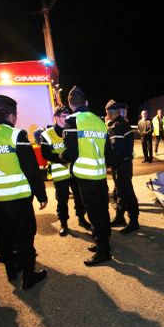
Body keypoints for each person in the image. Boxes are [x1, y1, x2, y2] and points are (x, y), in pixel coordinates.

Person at [0, 95, 48, 289]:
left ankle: (11, 271)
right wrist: (41, 194)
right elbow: (31, 169)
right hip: (17, 197)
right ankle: (28, 276)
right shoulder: (16, 135)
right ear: (12, 115)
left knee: (4, 235)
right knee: (24, 235)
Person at [61, 86, 112, 266]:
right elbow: (108, 153)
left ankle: (104, 252)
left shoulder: (73, 121)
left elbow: (70, 154)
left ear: (70, 104)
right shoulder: (99, 121)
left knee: (94, 214)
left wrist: (61, 156)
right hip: (99, 175)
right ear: (86, 103)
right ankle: (102, 244)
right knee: (102, 212)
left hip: (85, 178)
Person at [40, 106, 92, 236]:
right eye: (64, 116)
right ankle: (64, 224)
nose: (66, 119)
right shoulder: (48, 134)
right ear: (56, 117)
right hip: (60, 174)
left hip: (75, 172)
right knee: (62, 200)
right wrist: (61, 159)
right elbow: (45, 154)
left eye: (68, 116)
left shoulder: (73, 130)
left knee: (79, 198)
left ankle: (81, 218)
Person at [106, 101, 140, 234]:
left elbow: (115, 150)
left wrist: (107, 163)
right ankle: (120, 217)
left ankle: (134, 222)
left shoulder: (117, 126)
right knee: (120, 193)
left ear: (109, 113)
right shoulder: (123, 124)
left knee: (127, 193)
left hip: (121, 166)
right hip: (123, 164)